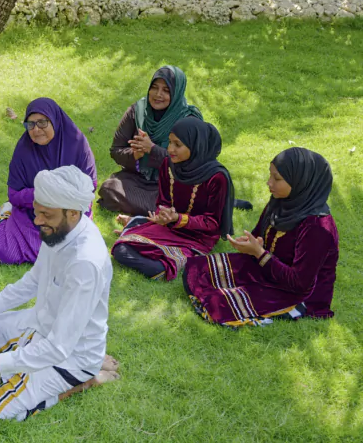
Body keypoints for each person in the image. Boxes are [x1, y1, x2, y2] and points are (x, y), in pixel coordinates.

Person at [0, 166, 119, 421]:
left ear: (73, 213)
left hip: (71, 355)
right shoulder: (58, 229)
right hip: (39, 324)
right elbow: (34, 280)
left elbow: (59, 347)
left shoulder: (86, 263)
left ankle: (86, 379)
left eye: (45, 214)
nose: (37, 220)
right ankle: (29, 355)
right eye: (37, 211)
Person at [183, 148, 338, 326]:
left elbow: (299, 283)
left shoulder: (318, 227)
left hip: (297, 293)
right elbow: (259, 234)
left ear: (301, 182)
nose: (269, 182)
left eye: (277, 179)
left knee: (218, 304)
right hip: (266, 269)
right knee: (197, 268)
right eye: (270, 176)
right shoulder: (280, 202)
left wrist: (259, 254)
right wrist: (251, 244)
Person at [98, 67, 251, 222]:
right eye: (154, 88)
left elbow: (194, 162)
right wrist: (135, 155)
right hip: (139, 179)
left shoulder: (188, 120)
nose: (158, 95)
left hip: (178, 183)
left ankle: (186, 207)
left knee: (176, 204)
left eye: (166, 90)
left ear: (176, 92)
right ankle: (160, 212)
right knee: (108, 188)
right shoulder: (136, 111)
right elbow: (116, 150)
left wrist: (152, 149)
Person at [111, 117, 235, 281]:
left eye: (178, 144)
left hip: (198, 237)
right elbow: (163, 202)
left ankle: (165, 264)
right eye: (170, 142)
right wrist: (163, 215)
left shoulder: (217, 178)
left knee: (136, 251)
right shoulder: (168, 165)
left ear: (195, 146)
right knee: (120, 249)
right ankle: (142, 232)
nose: (170, 149)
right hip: (169, 227)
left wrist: (179, 219)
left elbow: (212, 223)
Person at [0, 98, 97, 265]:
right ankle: (5, 219)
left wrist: (60, 198)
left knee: (76, 251)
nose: (36, 129)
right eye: (30, 124)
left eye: (42, 123)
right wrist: (44, 193)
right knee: (5, 251)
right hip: (33, 214)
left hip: (68, 215)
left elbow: (89, 189)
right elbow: (14, 195)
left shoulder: (77, 144)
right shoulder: (23, 150)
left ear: (55, 120)